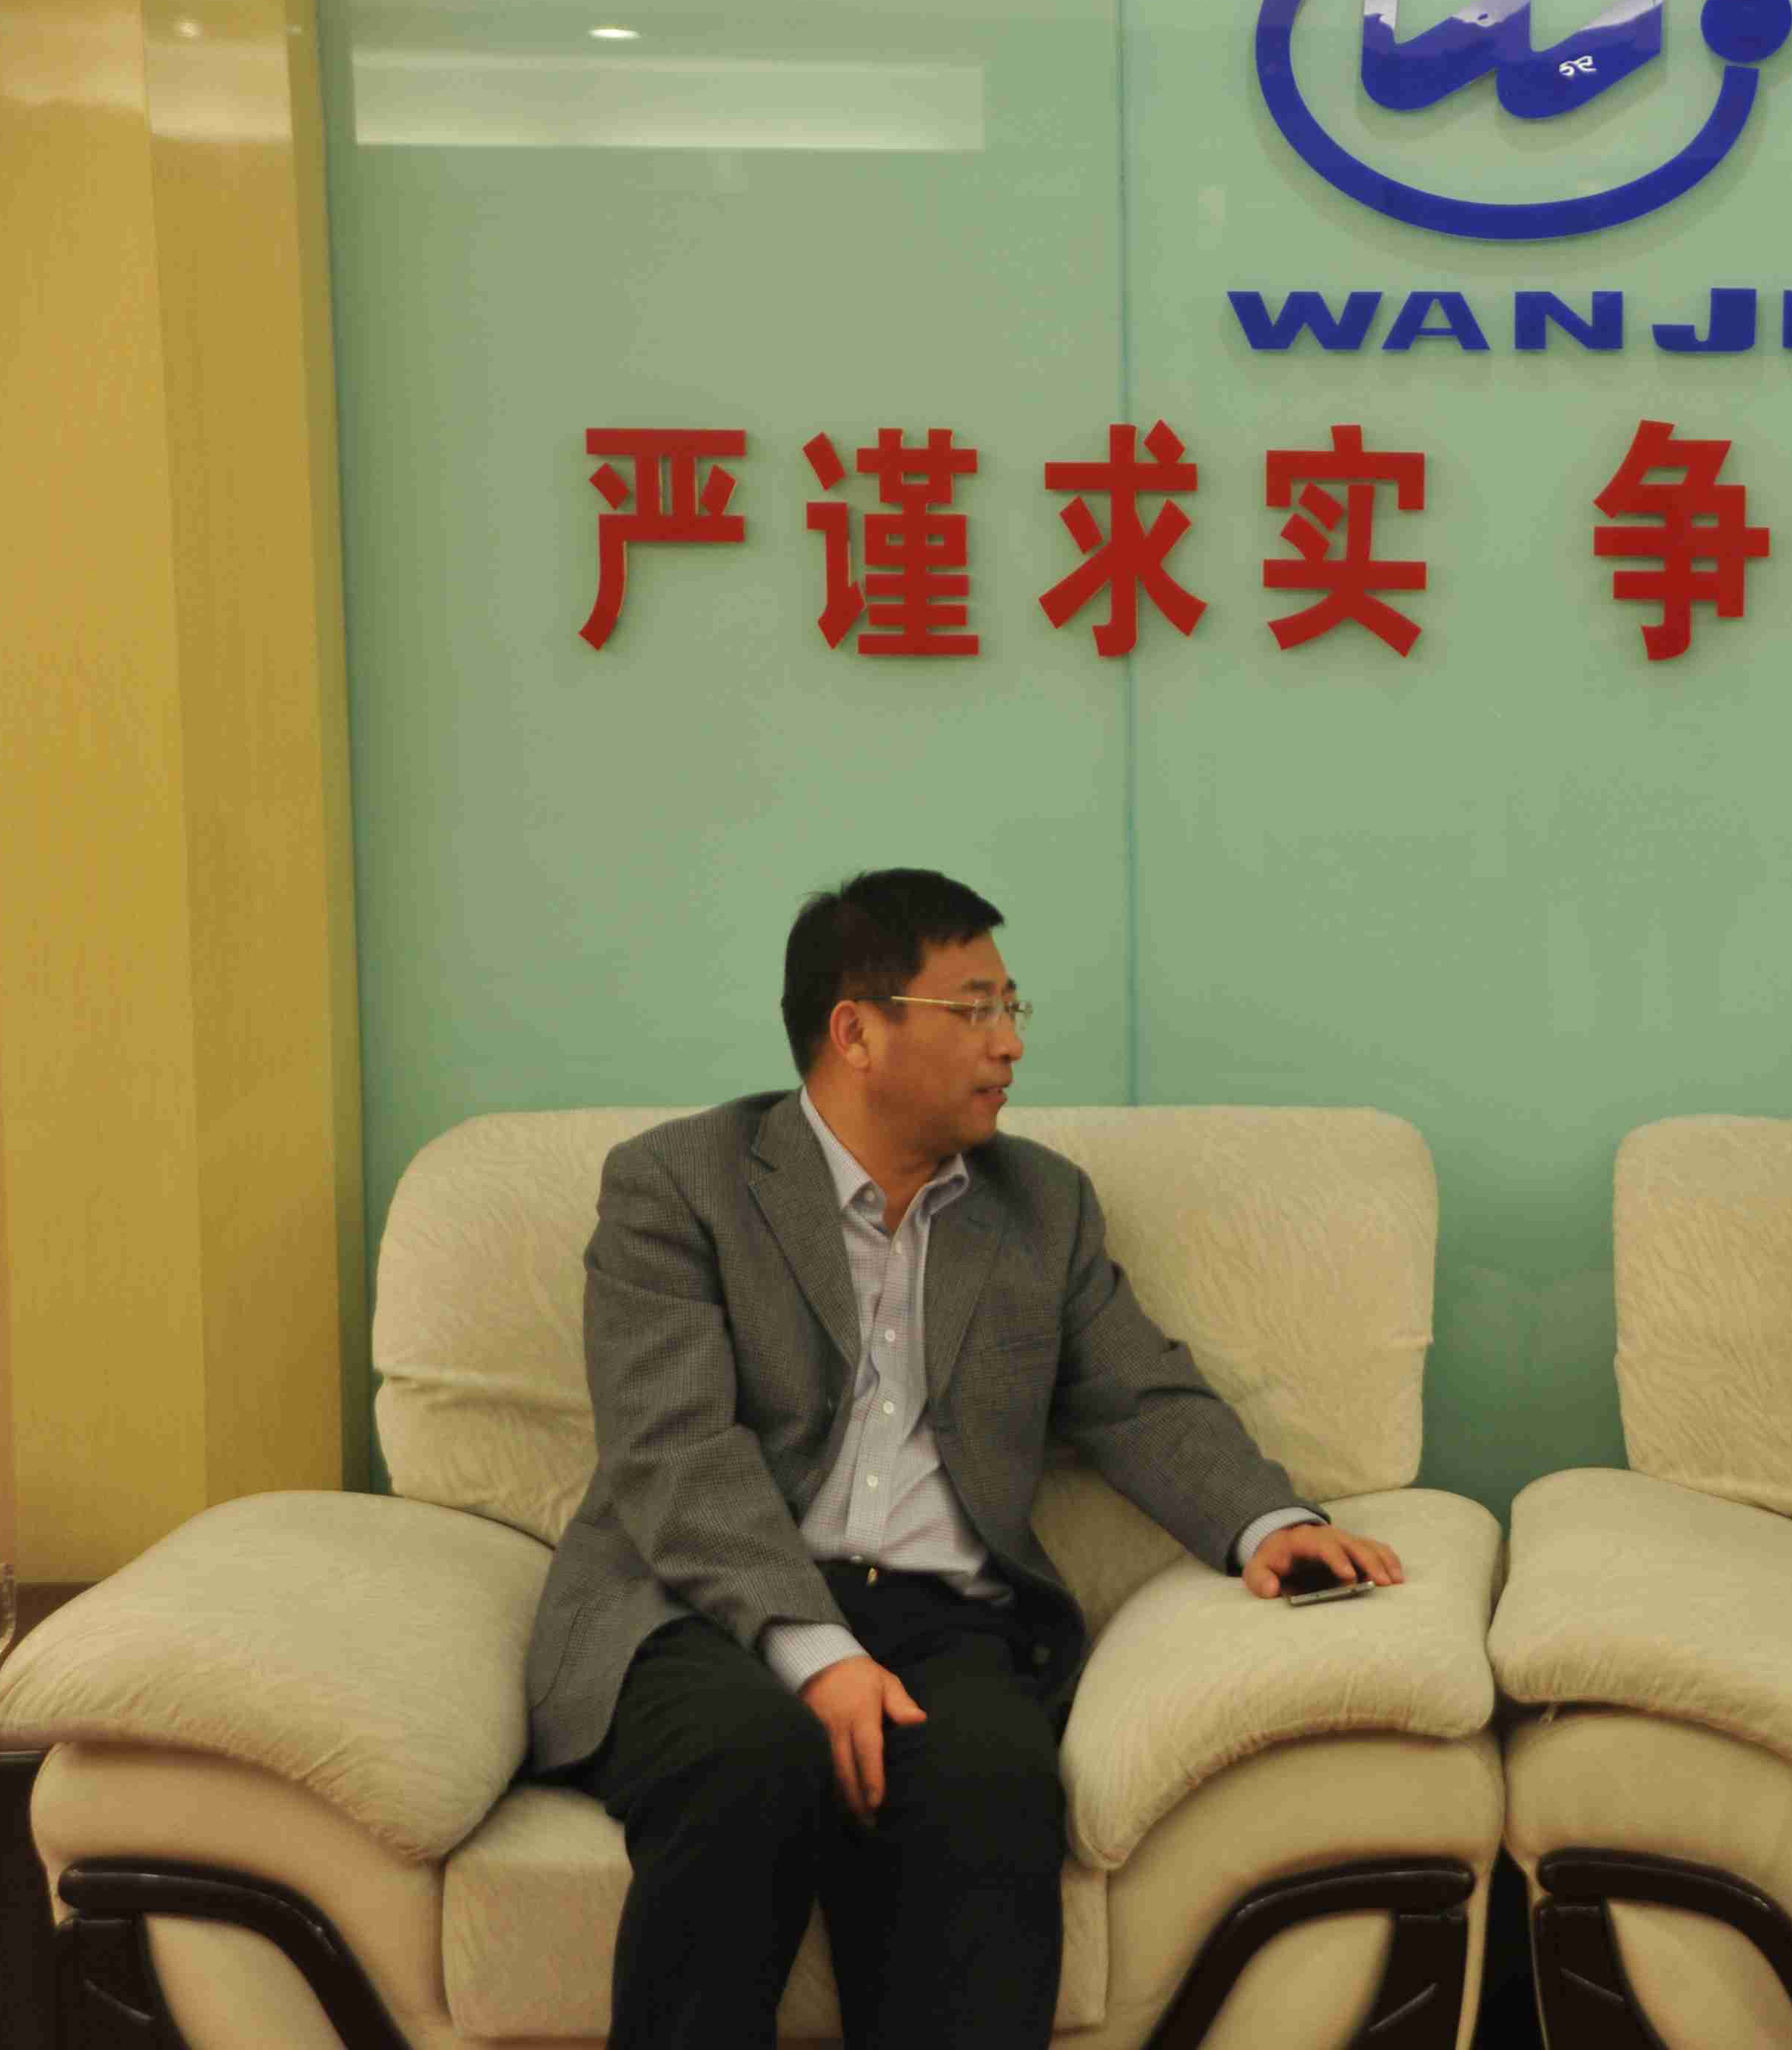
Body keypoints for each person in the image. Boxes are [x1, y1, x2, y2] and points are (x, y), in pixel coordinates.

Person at [520, 868, 1403, 2050]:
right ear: (856, 1033)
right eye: (975, 1009)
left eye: (1011, 1007)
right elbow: (673, 1448)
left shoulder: (1041, 1207)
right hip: (694, 1611)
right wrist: (814, 1652)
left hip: (944, 1618)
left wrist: (1269, 1523)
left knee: (992, 1789)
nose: (1011, 1043)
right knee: (751, 1762)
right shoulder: (680, 1184)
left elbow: (1139, 1395)